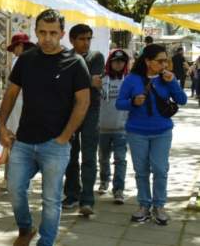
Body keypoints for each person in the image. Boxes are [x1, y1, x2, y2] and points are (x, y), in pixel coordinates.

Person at [0, 9, 90, 246]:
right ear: (36, 32)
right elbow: (11, 93)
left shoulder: (75, 63)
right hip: (25, 140)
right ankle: (26, 227)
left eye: (52, 33)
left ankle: (46, 242)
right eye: (42, 32)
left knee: (51, 199)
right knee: (15, 188)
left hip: (56, 144)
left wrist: (65, 137)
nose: (47, 38)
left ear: (61, 33)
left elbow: (83, 102)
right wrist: (1, 125)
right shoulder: (26, 59)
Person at [116, 44, 187, 225]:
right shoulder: (132, 79)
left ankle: (159, 206)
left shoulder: (168, 78)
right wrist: (133, 101)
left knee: (160, 169)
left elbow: (182, 100)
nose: (164, 64)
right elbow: (119, 103)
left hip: (162, 131)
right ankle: (144, 205)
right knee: (141, 171)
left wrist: (173, 82)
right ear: (148, 61)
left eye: (166, 60)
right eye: (160, 61)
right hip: (136, 131)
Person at [62, 24, 105, 216]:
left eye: (89, 38)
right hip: (69, 112)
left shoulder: (96, 57)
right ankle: (72, 194)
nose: (86, 42)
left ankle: (87, 199)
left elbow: (93, 81)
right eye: (82, 38)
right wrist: (86, 81)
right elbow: (67, 83)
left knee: (88, 156)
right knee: (69, 155)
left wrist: (77, 81)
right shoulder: (64, 58)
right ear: (71, 40)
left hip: (90, 111)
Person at [0, 33, 35, 190]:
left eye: (15, 47)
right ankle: (15, 178)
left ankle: (12, 179)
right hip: (26, 105)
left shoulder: (20, 61)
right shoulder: (34, 60)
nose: (13, 51)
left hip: (17, 105)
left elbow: (12, 89)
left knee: (13, 142)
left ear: (21, 46)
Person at [97, 49, 130, 205]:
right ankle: (104, 180)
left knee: (120, 159)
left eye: (121, 61)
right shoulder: (101, 79)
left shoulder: (128, 81)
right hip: (102, 127)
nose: (118, 64)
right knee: (103, 158)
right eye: (115, 61)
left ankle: (118, 189)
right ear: (110, 63)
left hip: (121, 129)